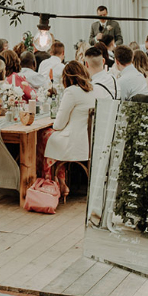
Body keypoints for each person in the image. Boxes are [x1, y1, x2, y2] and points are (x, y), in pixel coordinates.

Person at [43, 61, 96, 196]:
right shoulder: (92, 90)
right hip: (89, 142)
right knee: (54, 140)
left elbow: (59, 124)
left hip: (74, 143)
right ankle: (60, 180)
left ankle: (50, 181)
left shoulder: (71, 92)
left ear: (68, 77)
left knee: (44, 136)